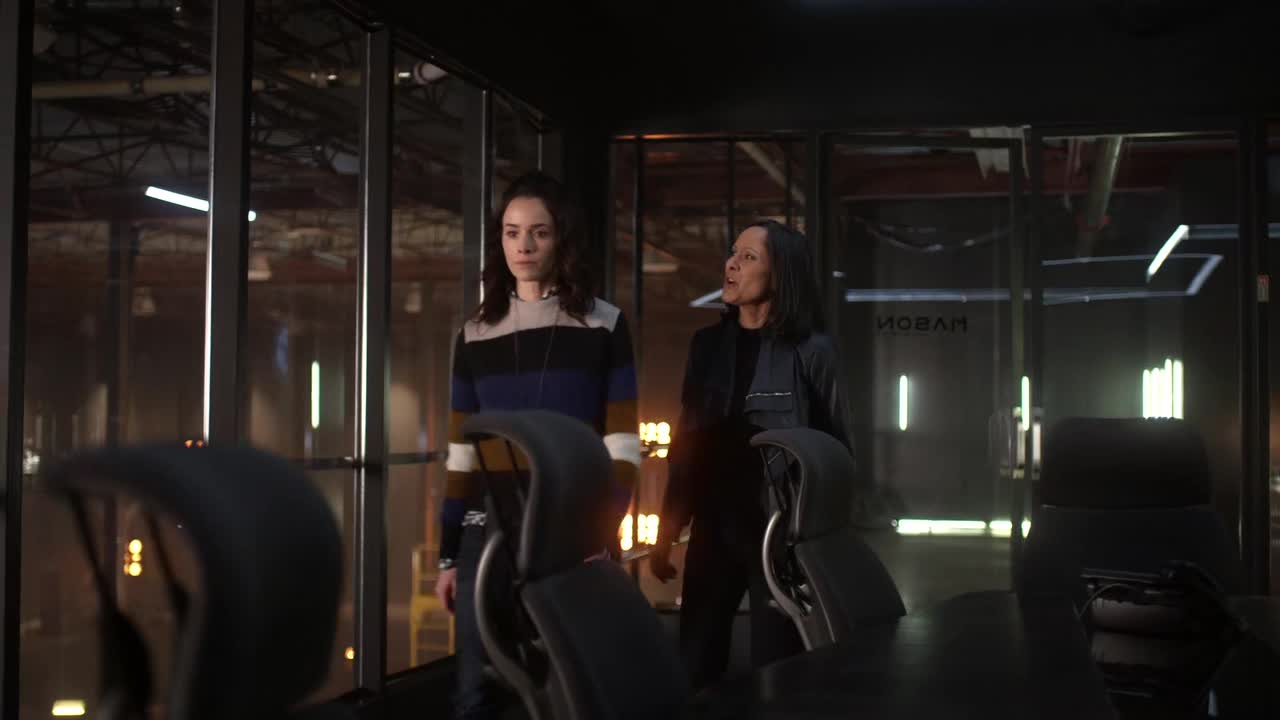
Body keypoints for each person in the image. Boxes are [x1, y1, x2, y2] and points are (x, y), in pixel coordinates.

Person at [434, 171, 640, 719]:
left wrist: (603, 529)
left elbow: (622, 445)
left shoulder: (603, 324)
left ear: (561, 240)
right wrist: (449, 554)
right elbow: (461, 453)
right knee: (475, 690)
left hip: (573, 528)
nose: (523, 246)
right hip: (489, 531)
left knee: (573, 684)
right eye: (511, 232)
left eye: (539, 232)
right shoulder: (475, 334)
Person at [649, 219, 856, 690]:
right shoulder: (706, 346)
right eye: (732, 253)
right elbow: (687, 442)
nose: (731, 265)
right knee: (694, 667)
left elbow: (836, 451)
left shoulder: (813, 350)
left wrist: (823, 541)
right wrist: (668, 526)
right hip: (713, 528)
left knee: (778, 670)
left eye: (748, 257)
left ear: (780, 273)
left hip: (779, 537)